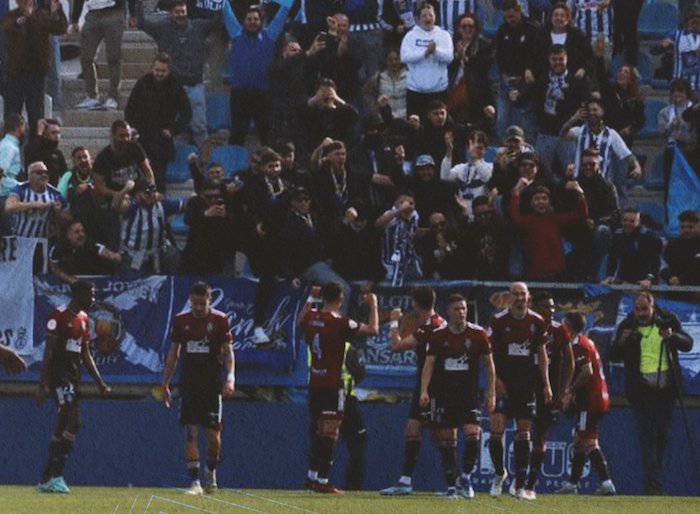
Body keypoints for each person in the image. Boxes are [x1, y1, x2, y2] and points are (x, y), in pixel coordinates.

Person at [609, 291, 694, 494]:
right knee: (647, 437)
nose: (641, 313)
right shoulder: (628, 325)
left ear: (653, 307)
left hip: (666, 390)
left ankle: (656, 480)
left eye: (644, 309)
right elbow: (613, 354)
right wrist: (622, 341)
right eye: (637, 309)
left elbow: (687, 344)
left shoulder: (667, 321)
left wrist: (672, 336)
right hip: (641, 391)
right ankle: (653, 485)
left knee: (662, 437)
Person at [300, 282, 378, 494]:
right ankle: (323, 480)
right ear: (340, 299)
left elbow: (300, 321)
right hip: (333, 385)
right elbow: (373, 329)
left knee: (318, 431)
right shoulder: (341, 322)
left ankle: (312, 477)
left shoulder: (311, 318)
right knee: (330, 432)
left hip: (314, 383)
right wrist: (374, 305)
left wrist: (309, 300)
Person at [36, 280, 111, 493]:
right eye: (91, 294)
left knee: (66, 425)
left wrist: (100, 383)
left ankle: (46, 478)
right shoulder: (57, 315)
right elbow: (49, 352)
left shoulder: (85, 319)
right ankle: (56, 475)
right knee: (72, 419)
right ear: (79, 295)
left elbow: (85, 353)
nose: (94, 299)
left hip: (74, 378)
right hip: (60, 377)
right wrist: (43, 385)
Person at [419, 294, 496, 498]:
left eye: (463, 308)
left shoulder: (478, 334)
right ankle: (452, 486)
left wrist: (491, 392)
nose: (461, 312)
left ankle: (467, 478)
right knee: (446, 440)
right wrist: (424, 390)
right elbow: (429, 364)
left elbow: (489, 366)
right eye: (456, 309)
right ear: (448, 312)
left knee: (473, 434)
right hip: (444, 394)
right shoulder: (438, 335)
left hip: (469, 395)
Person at [162, 282, 235, 495]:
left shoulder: (220, 321)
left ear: (209, 301)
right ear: (190, 301)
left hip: (212, 386)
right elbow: (173, 353)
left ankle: (210, 471)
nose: (199, 308)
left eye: (202, 303)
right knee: (191, 432)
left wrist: (230, 378)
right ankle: (194, 482)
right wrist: (165, 382)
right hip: (189, 385)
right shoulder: (181, 321)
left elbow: (229, 352)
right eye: (195, 303)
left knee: (213, 436)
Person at [488, 281, 552, 500]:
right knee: (496, 431)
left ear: (528, 297)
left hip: (526, 385)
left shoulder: (537, 321)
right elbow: (488, 356)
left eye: (522, 294)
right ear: (509, 297)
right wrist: (495, 380)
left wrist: (546, 384)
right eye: (515, 294)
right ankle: (499, 473)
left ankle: (520, 484)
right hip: (503, 384)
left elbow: (542, 355)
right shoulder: (498, 321)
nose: (519, 298)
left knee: (524, 433)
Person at [380, 286, 446, 496]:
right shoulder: (439, 322)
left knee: (440, 434)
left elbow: (397, 345)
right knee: (414, 429)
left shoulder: (430, 327)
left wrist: (393, 321)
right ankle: (405, 481)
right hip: (428, 384)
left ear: (416, 303)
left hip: (432, 386)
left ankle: (456, 481)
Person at [136, 0, 218, 147]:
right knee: (176, 130)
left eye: (183, 12)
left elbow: (217, 21)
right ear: (170, 13)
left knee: (200, 128)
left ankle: (207, 164)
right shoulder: (162, 28)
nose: (180, 15)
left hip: (195, 86)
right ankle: (180, 163)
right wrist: (139, 5)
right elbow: (142, 24)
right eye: (177, 12)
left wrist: (224, 5)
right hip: (172, 88)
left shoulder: (199, 26)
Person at [555, 312, 616, 495]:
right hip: (594, 399)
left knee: (587, 441)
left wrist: (569, 390)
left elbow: (586, 372)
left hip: (591, 401)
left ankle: (606, 483)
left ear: (569, 327)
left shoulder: (579, 346)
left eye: (563, 324)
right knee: (580, 441)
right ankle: (572, 484)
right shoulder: (582, 342)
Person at [526, 291, 574, 497]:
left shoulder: (559, 330)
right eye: (546, 306)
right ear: (535, 307)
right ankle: (517, 478)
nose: (550, 311)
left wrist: (564, 391)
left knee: (541, 435)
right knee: (522, 431)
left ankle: (530, 484)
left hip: (549, 390)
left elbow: (570, 362)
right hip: (526, 386)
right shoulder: (525, 325)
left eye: (553, 307)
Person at [223, 1, 289, 145]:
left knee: (266, 135)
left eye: (255, 19)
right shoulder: (236, 33)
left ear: (261, 21)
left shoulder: (270, 35)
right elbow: (225, 9)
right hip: (239, 93)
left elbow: (283, 12)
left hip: (263, 94)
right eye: (249, 19)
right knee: (237, 135)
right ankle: (235, 165)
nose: (252, 22)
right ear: (244, 21)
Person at [124, 53, 192, 191]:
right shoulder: (143, 83)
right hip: (142, 137)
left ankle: (158, 205)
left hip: (162, 140)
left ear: (169, 70)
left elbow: (187, 113)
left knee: (158, 177)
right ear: (152, 68)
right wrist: (132, 128)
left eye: (163, 71)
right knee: (138, 176)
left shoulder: (175, 85)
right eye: (157, 70)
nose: (159, 74)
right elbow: (129, 109)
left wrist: (173, 130)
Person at [2, 0, 67, 136]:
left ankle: (35, 148)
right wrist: (26, 16)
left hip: (36, 73)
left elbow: (60, 28)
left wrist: (57, 11)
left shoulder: (42, 16)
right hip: (15, 73)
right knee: (12, 115)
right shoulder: (11, 16)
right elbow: (10, 27)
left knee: (36, 115)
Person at [509, 177, 588, 281]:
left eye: (544, 198)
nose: (541, 202)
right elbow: (514, 217)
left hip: (558, 275)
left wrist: (579, 193)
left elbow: (581, 215)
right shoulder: (528, 221)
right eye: (537, 199)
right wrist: (516, 192)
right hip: (536, 276)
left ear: (549, 202)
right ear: (531, 203)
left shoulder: (556, 219)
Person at [73, 0, 136, 110]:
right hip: (92, 13)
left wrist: (133, 13)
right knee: (86, 56)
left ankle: (113, 96)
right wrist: (75, 18)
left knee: (114, 57)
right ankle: (91, 95)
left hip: (114, 12)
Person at [114, 180, 183, 275]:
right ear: (138, 195)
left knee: (173, 254)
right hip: (134, 254)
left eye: (153, 192)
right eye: (147, 193)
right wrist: (125, 190)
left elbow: (184, 205)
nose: (152, 196)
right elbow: (116, 206)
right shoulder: (132, 206)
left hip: (157, 252)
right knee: (134, 282)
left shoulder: (162, 204)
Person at [494, 0, 540, 138]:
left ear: (519, 12)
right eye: (507, 17)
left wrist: (529, 69)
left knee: (527, 122)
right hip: (507, 80)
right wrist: (504, 75)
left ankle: (529, 152)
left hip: (527, 81)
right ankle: (502, 149)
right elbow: (498, 55)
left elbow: (538, 54)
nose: (510, 20)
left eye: (513, 16)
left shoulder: (532, 28)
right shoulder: (503, 30)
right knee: (502, 119)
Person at [400, 3, 453, 117]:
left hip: (438, 90)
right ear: (418, 19)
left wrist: (435, 51)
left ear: (435, 17)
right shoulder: (410, 36)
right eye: (424, 16)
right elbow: (404, 57)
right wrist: (425, 53)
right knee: (415, 125)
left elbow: (449, 57)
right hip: (415, 90)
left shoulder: (444, 35)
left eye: (430, 15)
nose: (427, 18)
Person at [447, 13, 495, 132]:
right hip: (454, 87)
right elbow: (448, 66)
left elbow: (482, 68)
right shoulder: (452, 43)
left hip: (476, 91)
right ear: (458, 29)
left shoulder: (484, 44)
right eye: (464, 26)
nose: (467, 29)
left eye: (470, 26)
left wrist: (465, 57)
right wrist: (457, 56)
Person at [375, 191, 424, 286]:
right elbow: (378, 224)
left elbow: (414, 232)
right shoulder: (391, 214)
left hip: (409, 258)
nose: (407, 206)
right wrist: (399, 211)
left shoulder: (414, 215)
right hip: (391, 259)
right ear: (396, 203)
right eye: (403, 202)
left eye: (410, 203)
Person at [49, 220, 122, 283]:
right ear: (68, 235)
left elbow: (105, 252)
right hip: (68, 283)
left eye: (83, 231)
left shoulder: (90, 244)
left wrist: (114, 256)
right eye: (77, 232)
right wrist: (69, 279)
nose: (82, 234)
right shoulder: (58, 248)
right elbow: (54, 268)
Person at [606, 207, 663, 286]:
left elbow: (655, 263)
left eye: (632, 221)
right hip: (624, 280)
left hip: (644, 282)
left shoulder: (649, 237)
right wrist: (609, 276)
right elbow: (612, 259)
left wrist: (649, 279)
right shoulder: (617, 236)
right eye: (625, 220)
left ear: (639, 222)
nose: (627, 224)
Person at [23, 119, 67, 187]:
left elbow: (65, 174)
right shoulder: (35, 148)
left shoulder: (58, 153)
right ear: (45, 134)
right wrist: (39, 133)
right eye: (53, 133)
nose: (57, 136)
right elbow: (30, 154)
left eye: (58, 133)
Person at [661, 210, 700, 285]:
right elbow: (663, 266)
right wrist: (669, 277)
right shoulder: (672, 245)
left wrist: (682, 279)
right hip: (677, 289)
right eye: (682, 227)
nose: (686, 230)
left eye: (690, 227)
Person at [0, 114, 26, 196]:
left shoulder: (9, 145)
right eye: (24, 127)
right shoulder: (9, 147)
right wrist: (21, 187)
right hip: (5, 194)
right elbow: (1, 174)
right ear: (19, 127)